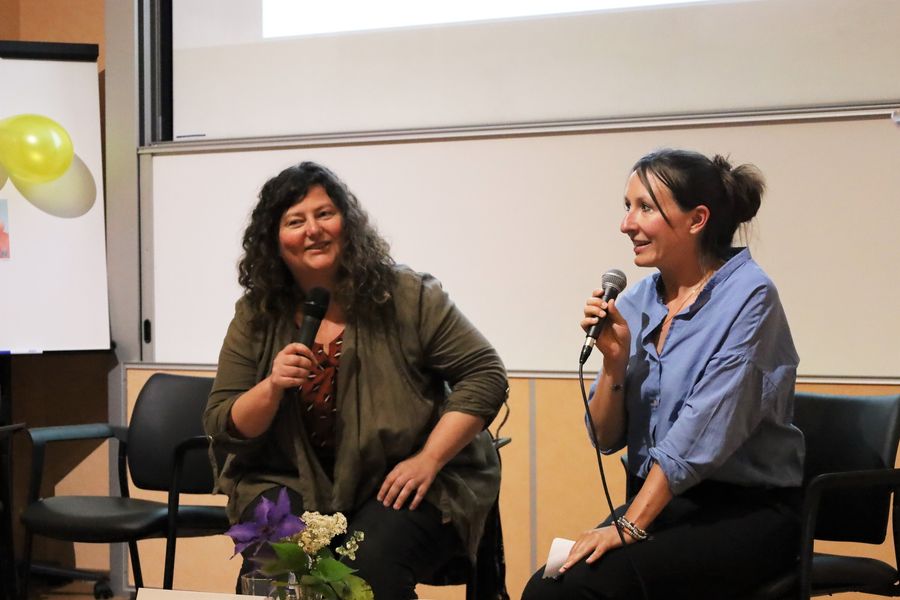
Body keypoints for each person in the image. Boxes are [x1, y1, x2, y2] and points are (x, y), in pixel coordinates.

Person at [203, 161, 508, 598]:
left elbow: (485, 374)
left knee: (363, 571)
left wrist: (428, 459)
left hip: (404, 478)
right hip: (289, 480)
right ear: (274, 241)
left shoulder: (407, 296)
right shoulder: (256, 315)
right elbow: (223, 423)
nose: (313, 230)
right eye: (295, 221)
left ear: (347, 223)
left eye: (324, 214)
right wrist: (271, 387)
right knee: (273, 569)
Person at [522, 149, 805, 599]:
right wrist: (613, 363)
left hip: (746, 513)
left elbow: (702, 429)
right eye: (626, 207)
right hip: (666, 505)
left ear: (696, 220)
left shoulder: (750, 297)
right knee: (546, 587)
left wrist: (632, 523)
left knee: (578, 592)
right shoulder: (637, 302)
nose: (626, 224)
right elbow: (604, 436)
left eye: (645, 208)